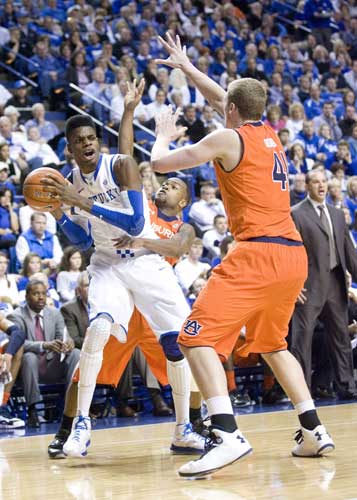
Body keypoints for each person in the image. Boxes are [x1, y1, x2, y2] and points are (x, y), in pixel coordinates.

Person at [149, 34, 334, 478]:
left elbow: (160, 164)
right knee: (273, 344)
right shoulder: (267, 133)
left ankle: (226, 432)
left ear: (230, 112)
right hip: (293, 255)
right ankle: (313, 430)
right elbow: (227, 99)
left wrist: (160, 136)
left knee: (193, 338)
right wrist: (189, 70)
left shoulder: (225, 138)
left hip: (257, 252)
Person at [41, 80, 204, 458]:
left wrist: (79, 202)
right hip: (108, 264)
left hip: (145, 263)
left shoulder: (122, 165)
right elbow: (81, 243)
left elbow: (133, 226)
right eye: (79, 140)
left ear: (99, 140)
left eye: (91, 137)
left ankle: (185, 428)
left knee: (178, 344)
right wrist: (58, 214)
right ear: (70, 148)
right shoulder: (68, 184)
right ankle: (79, 427)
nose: (86, 143)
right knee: (97, 330)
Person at [290, 170, 357, 399]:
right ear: (307, 186)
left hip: (335, 284)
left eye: (324, 181)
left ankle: (347, 387)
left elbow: (349, 251)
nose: (321, 185)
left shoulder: (338, 214)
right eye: (316, 182)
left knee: (341, 339)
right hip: (307, 286)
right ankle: (301, 392)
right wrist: (293, 285)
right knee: (302, 339)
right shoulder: (296, 214)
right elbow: (290, 254)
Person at [8, 280, 80, 428]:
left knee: (76, 354)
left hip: (52, 365)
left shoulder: (54, 313)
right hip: (27, 371)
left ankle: (71, 408)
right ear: (27, 296)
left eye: (43, 294)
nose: (41, 297)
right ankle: (33, 410)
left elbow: (62, 336)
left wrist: (68, 343)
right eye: (36, 294)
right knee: (29, 357)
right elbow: (19, 343)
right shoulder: (16, 315)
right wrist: (43, 345)